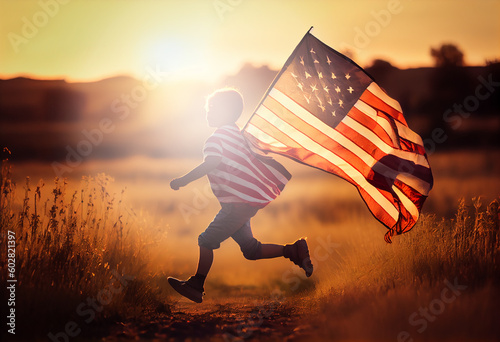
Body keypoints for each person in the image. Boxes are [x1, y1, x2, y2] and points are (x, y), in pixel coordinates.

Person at [168, 88, 313, 303]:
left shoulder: (215, 139)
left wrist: (183, 180)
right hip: (245, 204)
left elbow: (212, 163)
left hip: (235, 207)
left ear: (225, 112)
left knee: (206, 240)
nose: (208, 112)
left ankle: (196, 285)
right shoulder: (239, 135)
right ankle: (294, 250)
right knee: (251, 250)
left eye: (213, 109)